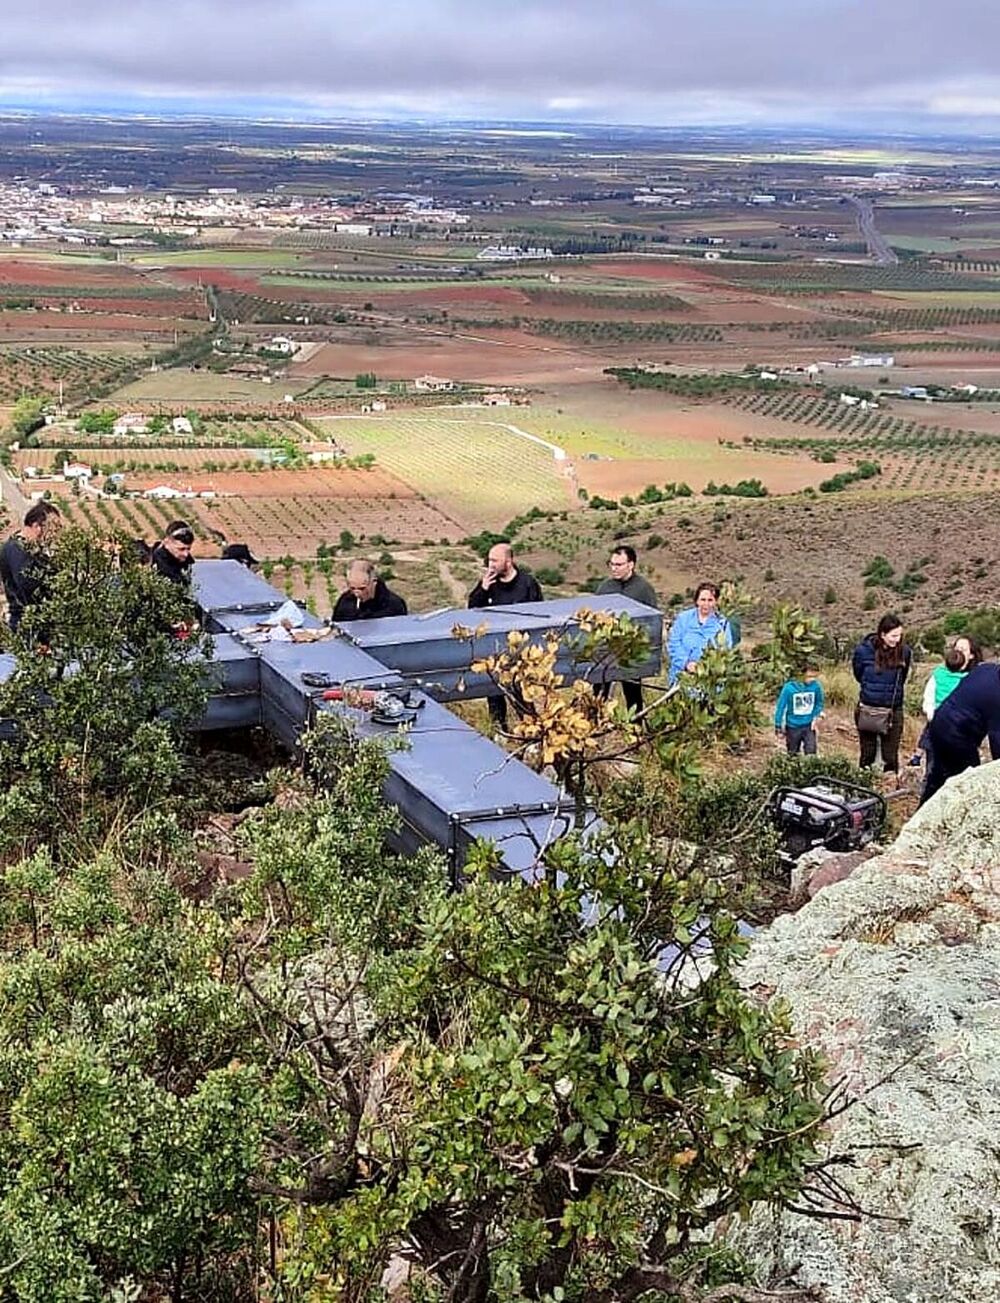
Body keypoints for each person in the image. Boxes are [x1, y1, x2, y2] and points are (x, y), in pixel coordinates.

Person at [468, 541, 543, 727]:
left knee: (521, 693)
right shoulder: (488, 583)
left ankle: (531, 730)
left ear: (508, 561)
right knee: (494, 693)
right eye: (489, 560)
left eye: (495, 560)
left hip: (520, 650)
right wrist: (483, 589)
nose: (491, 564)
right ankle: (499, 730)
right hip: (494, 649)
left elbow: (538, 613)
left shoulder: (527, 583)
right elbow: (471, 609)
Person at [921, 660, 1000, 805]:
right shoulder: (997, 695)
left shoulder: (986, 668)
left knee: (938, 775)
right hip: (957, 736)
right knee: (967, 782)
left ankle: (921, 815)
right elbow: (997, 738)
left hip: (939, 722)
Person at [596, 545, 658, 713]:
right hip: (605, 652)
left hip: (631, 653)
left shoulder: (643, 589)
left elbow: (651, 621)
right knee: (598, 695)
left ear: (631, 565)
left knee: (633, 696)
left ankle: (636, 733)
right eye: (612, 564)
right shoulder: (604, 587)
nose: (614, 568)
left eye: (619, 564)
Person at [852, 613, 912, 776]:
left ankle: (890, 788)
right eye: (893, 636)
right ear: (882, 634)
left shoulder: (904, 652)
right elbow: (858, 674)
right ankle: (864, 786)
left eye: (899, 635)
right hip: (868, 708)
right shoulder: (863, 651)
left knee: (890, 755)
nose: (897, 639)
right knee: (867, 754)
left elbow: (903, 677)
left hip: (893, 710)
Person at [0, 501, 62, 632]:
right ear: (37, 526)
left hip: (38, 622)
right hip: (27, 624)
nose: (53, 535)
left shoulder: (33, 551)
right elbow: (27, 584)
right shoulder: (15, 549)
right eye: (52, 529)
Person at [667, 582, 733, 685]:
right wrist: (686, 664)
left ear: (716, 602)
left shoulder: (723, 624)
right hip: (681, 676)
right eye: (703, 600)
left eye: (710, 600)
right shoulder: (683, 619)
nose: (706, 604)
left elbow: (726, 649)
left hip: (709, 681)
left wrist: (706, 668)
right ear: (697, 601)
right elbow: (674, 644)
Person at [774, 661, 825, 755]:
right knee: (793, 753)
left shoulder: (816, 687)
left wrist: (817, 715)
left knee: (811, 752)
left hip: (809, 725)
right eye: (809, 677)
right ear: (802, 674)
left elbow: (819, 703)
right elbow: (781, 706)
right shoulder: (789, 688)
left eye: (815, 677)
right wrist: (778, 724)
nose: (812, 679)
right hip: (793, 726)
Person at [332, 559, 407, 621]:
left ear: (373, 582)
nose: (357, 593)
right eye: (352, 588)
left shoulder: (393, 605)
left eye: (362, 588)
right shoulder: (345, 601)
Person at [151, 520, 195, 586]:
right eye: (181, 549)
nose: (186, 554)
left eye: (188, 549)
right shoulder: (157, 563)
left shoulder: (185, 561)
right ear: (167, 543)